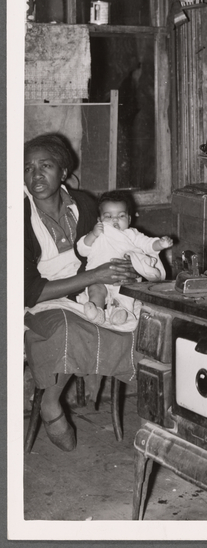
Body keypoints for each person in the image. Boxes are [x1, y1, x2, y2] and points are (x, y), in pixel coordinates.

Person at [24, 134, 140, 452]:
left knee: (138, 325)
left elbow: (113, 249)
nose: (35, 175)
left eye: (44, 166)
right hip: (38, 302)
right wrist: (97, 275)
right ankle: (50, 402)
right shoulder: (17, 214)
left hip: (89, 291)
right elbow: (28, 291)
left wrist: (123, 268)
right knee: (66, 328)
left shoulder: (86, 205)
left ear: (63, 172)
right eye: (28, 168)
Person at [76, 190, 173, 327]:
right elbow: (82, 249)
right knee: (95, 290)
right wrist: (93, 234)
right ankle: (97, 311)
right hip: (98, 278)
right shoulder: (98, 235)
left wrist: (160, 244)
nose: (115, 220)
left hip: (124, 280)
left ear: (129, 219)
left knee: (126, 294)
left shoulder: (131, 235)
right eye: (108, 216)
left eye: (121, 216)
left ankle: (120, 311)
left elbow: (147, 245)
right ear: (99, 220)